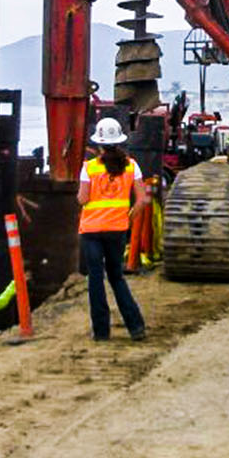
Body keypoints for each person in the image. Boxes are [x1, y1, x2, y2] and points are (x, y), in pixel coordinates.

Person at [77, 117, 148, 341]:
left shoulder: (89, 168)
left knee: (95, 280)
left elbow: (82, 199)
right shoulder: (132, 166)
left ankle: (101, 332)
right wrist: (127, 217)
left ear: (98, 143)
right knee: (116, 277)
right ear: (119, 142)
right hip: (117, 230)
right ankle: (136, 326)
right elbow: (143, 200)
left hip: (91, 231)